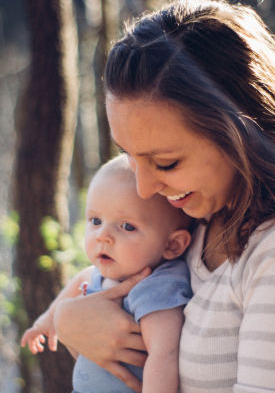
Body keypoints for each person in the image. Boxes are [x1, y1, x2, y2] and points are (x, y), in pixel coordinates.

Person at [53, 0, 275, 392]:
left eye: (167, 163)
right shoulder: (204, 215)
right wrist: (71, 320)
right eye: (129, 156)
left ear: (243, 132)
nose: (144, 187)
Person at [21, 155, 193, 393]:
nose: (103, 235)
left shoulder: (156, 287)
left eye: (127, 226)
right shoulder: (100, 274)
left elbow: (164, 354)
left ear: (172, 245)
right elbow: (79, 280)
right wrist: (45, 322)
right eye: (96, 220)